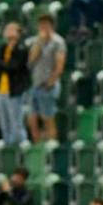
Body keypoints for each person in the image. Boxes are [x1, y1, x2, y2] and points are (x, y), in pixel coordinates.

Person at [25, 14, 66, 144]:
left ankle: (51, 145)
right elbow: (30, 62)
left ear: (52, 26)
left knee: (48, 117)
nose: (43, 27)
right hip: (33, 85)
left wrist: (51, 82)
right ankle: (37, 146)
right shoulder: (34, 41)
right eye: (41, 25)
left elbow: (59, 65)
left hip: (47, 85)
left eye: (46, 25)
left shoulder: (58, 42)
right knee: (32, 119)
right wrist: (39, 43)